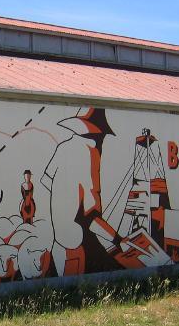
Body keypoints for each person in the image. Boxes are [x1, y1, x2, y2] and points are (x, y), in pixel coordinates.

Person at [41, 107, 130, 276]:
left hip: (58, 242)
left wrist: (64, 201)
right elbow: (91, 217)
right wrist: (118, 240)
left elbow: (46, 180)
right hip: (75, 245)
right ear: (98, 136)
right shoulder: (90, 155)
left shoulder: (64, 147)